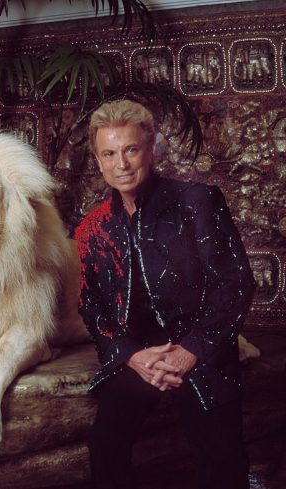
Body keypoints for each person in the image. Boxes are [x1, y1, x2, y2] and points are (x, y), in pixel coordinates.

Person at [74, 99, 255, 489]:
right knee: (105, 444)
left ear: (151, 148)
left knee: (221, 458)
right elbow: (91, 307)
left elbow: (235, 282)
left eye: (130, 150)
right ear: (98, 160)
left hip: (201, 352)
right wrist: (132, 355)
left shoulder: (196, 201)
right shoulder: (92, 228)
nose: (121, 164)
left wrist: (188, 351)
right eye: (109, 153)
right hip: (142, 357)